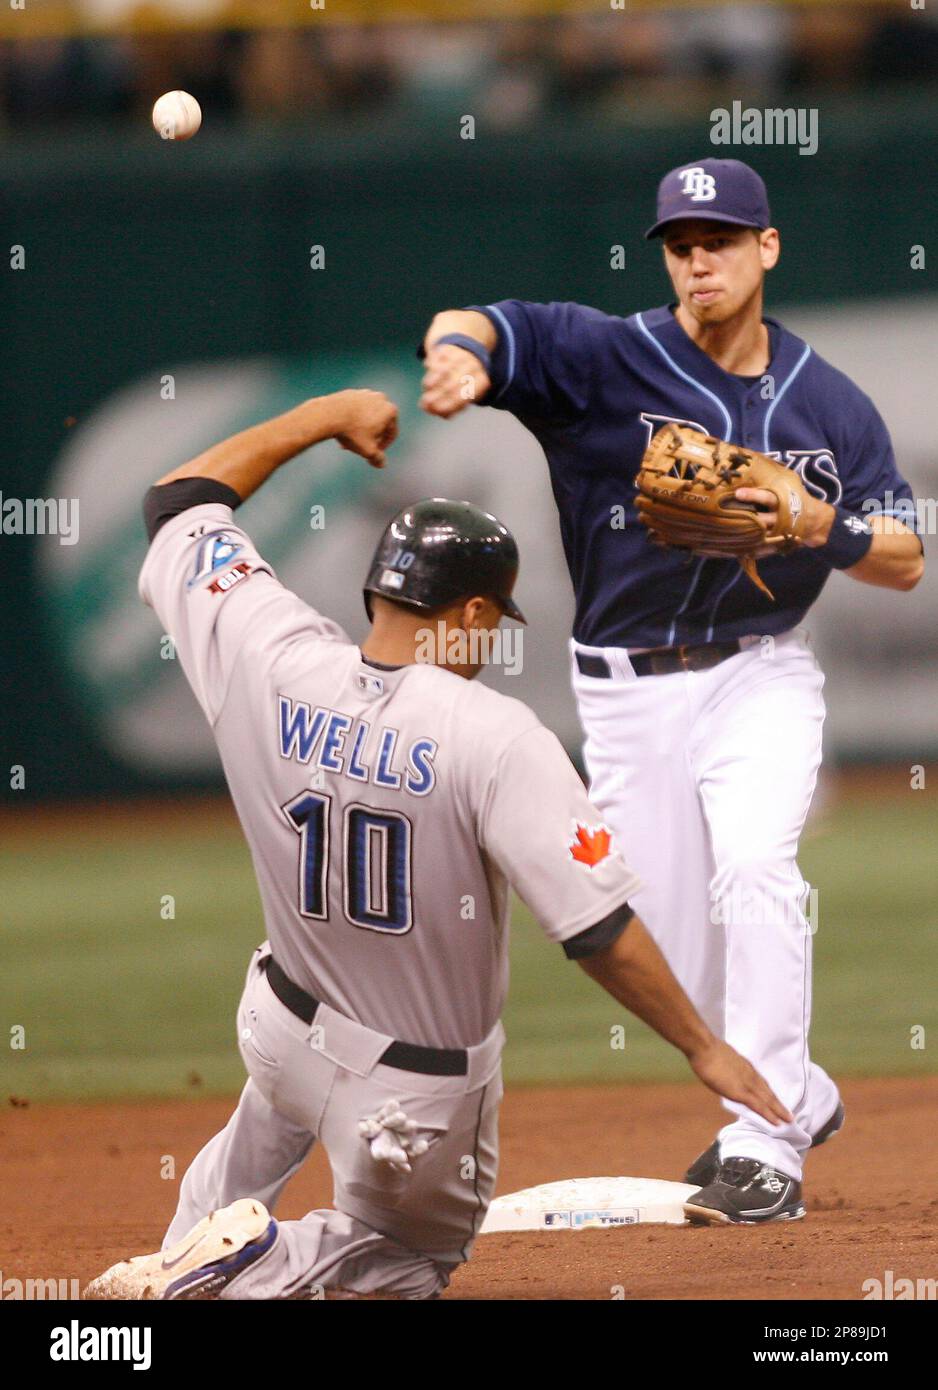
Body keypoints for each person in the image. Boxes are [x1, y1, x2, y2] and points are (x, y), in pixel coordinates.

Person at [84, 386, 786, 1301]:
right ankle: (249, 1269)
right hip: (405, 1103)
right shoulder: (495, 738)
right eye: (493, 619)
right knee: (412, 1259)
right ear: (464, 617)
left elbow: (178, 502)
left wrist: (327, 416)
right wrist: (703, 1047)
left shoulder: (269, 652)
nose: (490, 639)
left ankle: (188, 1246)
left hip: (278, 1030)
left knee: (270, 1113)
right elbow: (593, 928)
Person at [418, 157, 923, 1224]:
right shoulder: (607, 357)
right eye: (680, 244)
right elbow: (483, 324)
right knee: (663, 955)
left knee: (756, 865)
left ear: (765, 248)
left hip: (757, 672)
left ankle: (765, 1140)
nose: (698, 258)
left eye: (720, 239)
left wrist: (807, 524)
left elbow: (902, 554)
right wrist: (457, 361)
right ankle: (802, 1094)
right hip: (622, 693)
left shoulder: (825, 400)